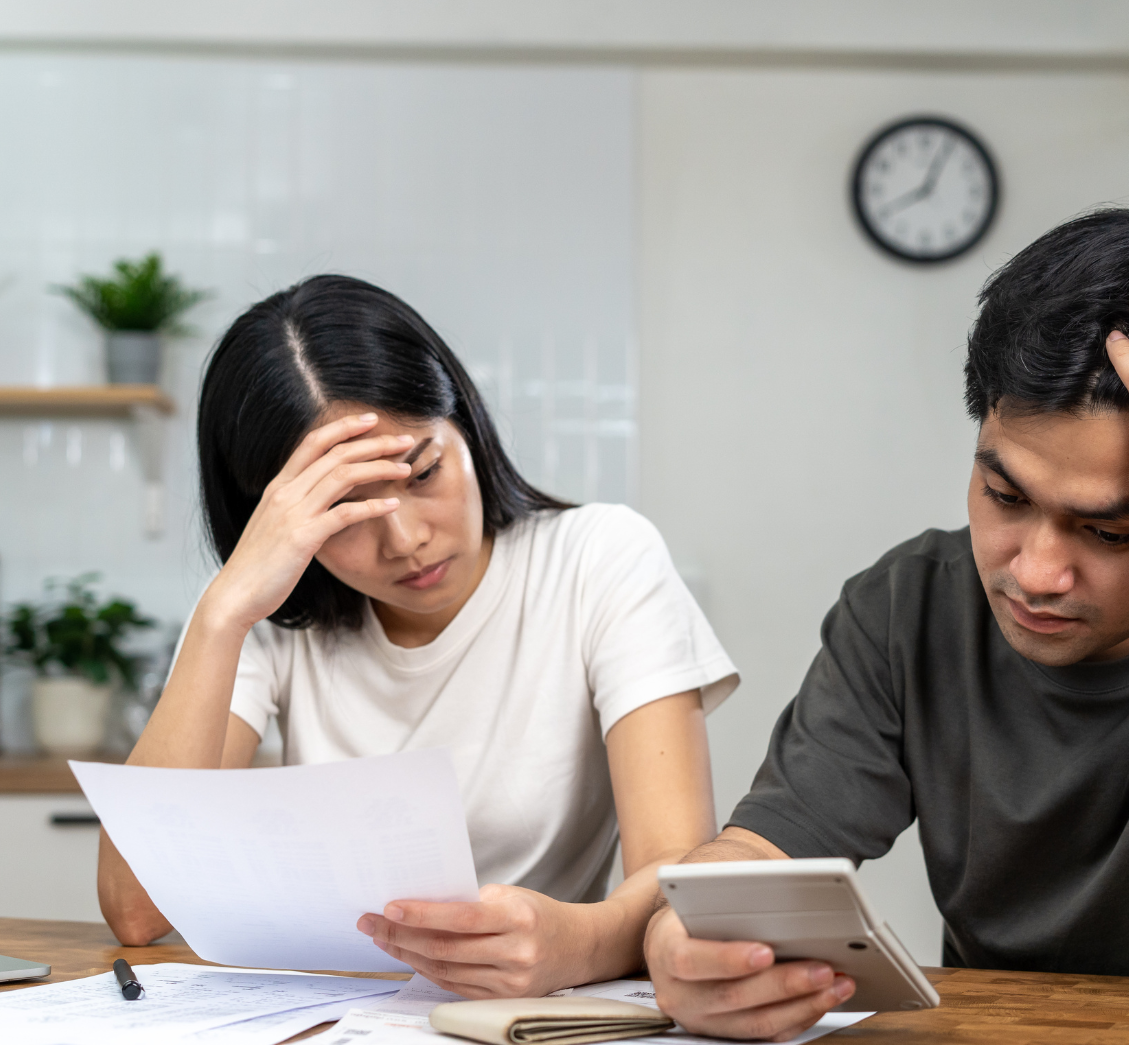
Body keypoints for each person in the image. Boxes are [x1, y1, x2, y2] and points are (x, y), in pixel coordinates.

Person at [644, 204, 1129, 1037]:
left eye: (1116, 529)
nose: (1034, 573)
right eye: (1004, 496)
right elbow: (760, 856)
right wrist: (690, 940)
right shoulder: (907, 606)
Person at [97, 275, 738, 997]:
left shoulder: (599, 558)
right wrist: (222, 614)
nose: (404, 541)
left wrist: (578, 944)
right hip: (326, 1012)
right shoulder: (265, 612)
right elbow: (136, 910)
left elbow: (677, 873)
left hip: (533, 1015)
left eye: (423, 470)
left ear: (466, 422)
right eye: (343, 511)